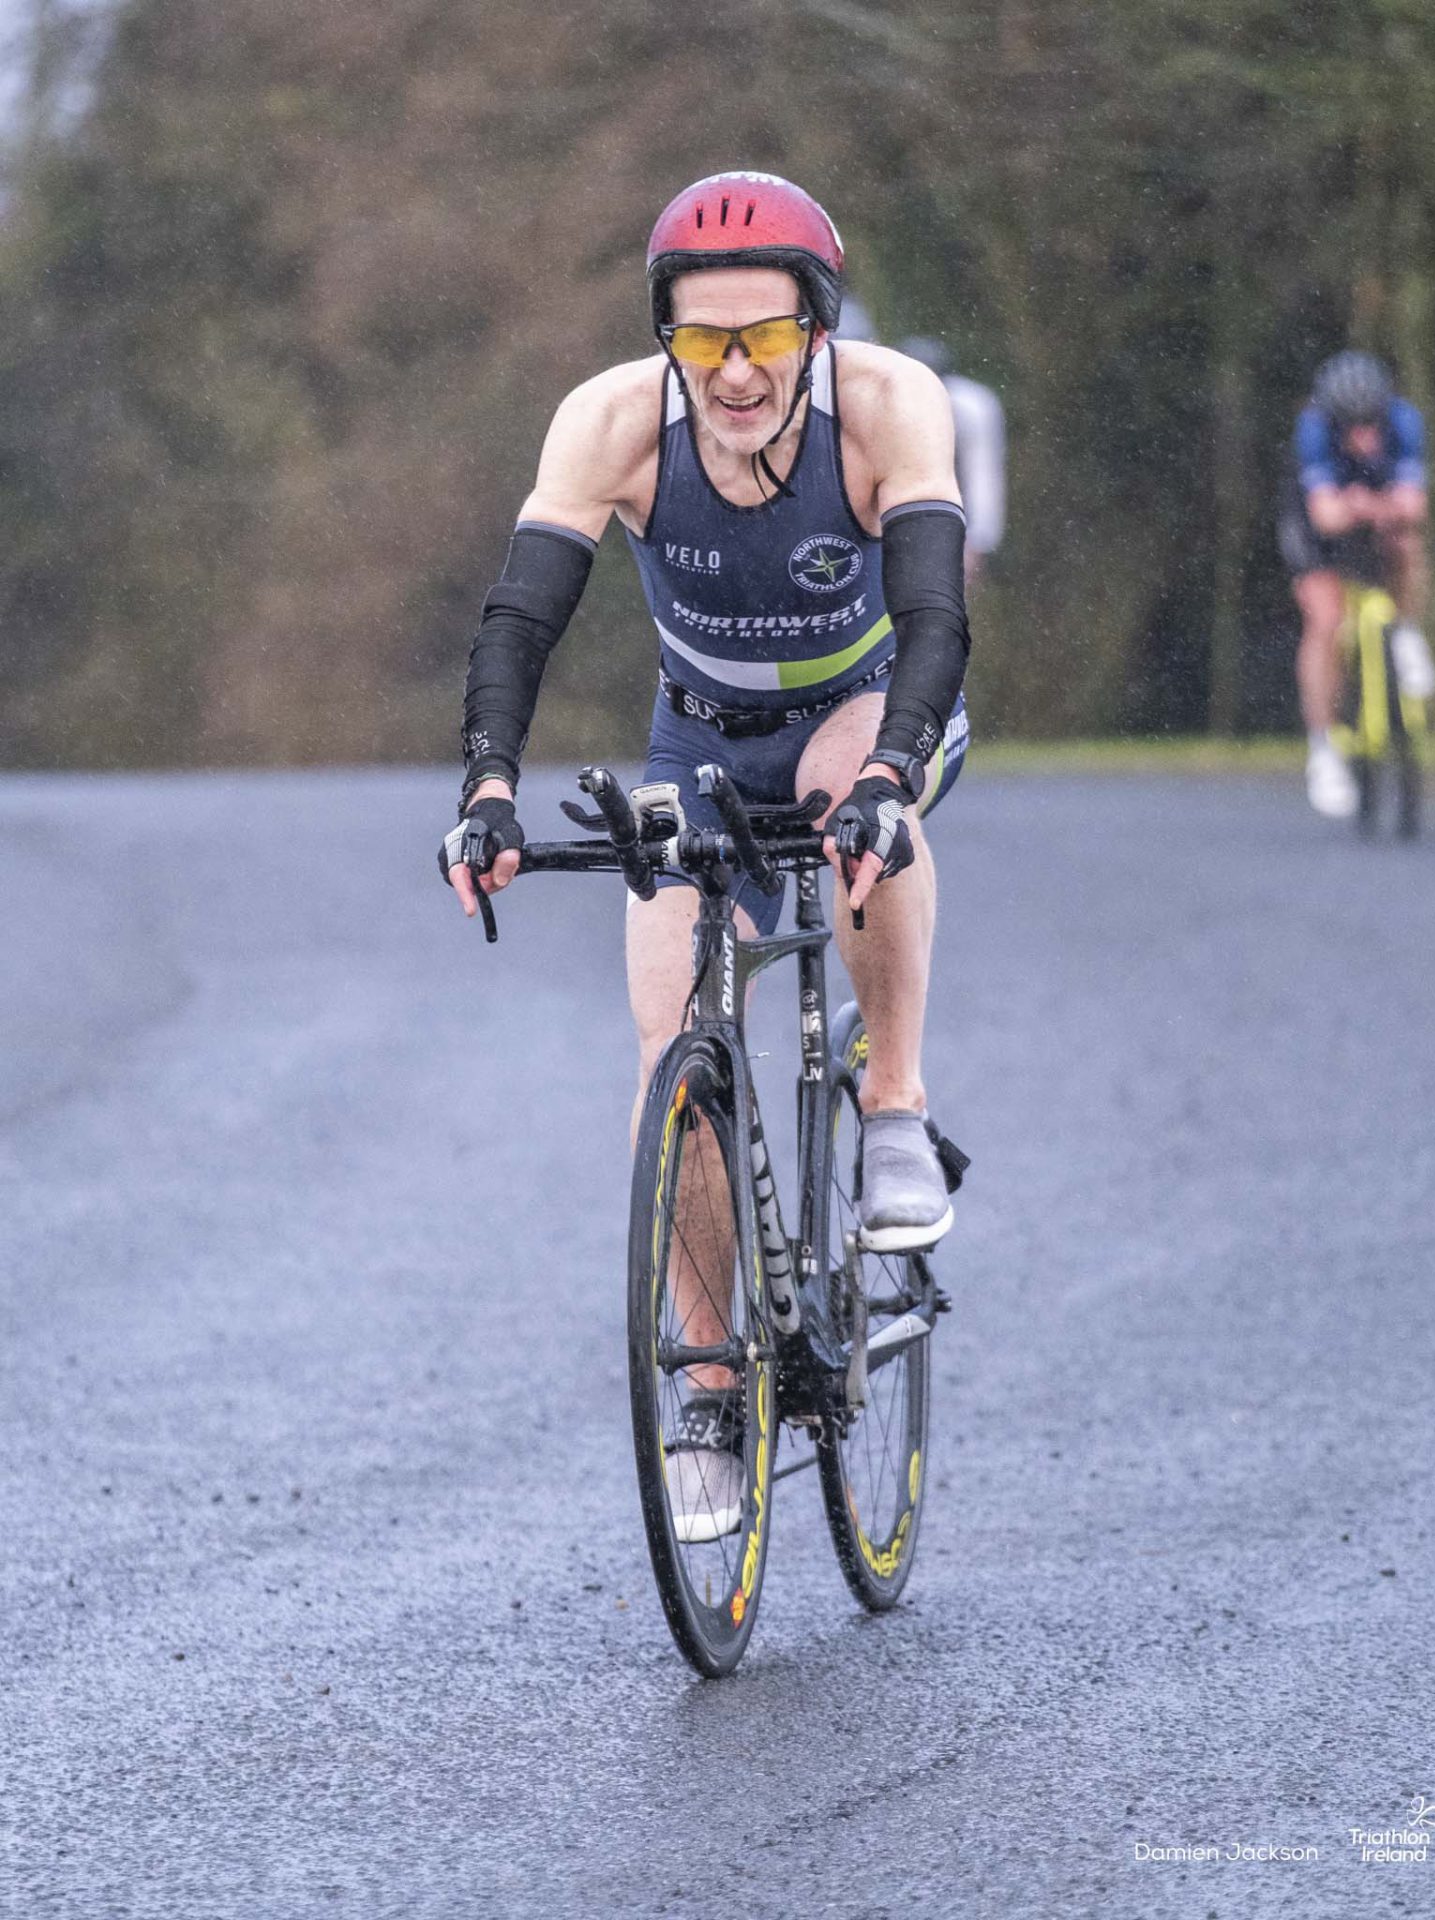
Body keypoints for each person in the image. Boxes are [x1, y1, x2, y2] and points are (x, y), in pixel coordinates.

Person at [439, 172, 972, 1539]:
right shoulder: (612, 423)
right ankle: (711, 1388)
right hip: (699, 738)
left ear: (818, 327)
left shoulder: (890, 406)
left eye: (767, 337)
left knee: (850, 806)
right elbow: (521, 618)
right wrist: (489, 789)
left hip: (868, 709)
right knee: (669, 1039)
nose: (735, 372)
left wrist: (892, 773)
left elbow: (933, 616)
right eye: (702, 340)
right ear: (665, 337)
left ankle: (893, 1105)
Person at [1278, 351, 1434, 818]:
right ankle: (1323, 746)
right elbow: (1325, 517)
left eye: (1371, 424)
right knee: (1326, 619)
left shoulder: (1405, 421)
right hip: (1313, 533)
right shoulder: (1313, 430)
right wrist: (1369, 505)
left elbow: (1414, 506)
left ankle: (1406, 632)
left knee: (1408, 544)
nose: (1364, 435)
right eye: (1353, 426)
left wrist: (1369, 507)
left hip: (1370, 514)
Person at [898, 337, 1006, 587]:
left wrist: (976, 541)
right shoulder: (885, 401)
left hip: (952, 508)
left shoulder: (970, 408)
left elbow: (982, 475)